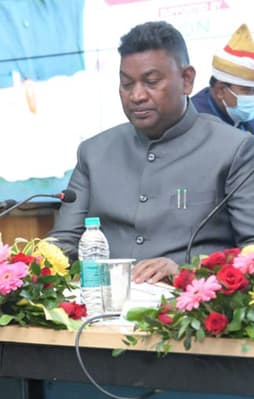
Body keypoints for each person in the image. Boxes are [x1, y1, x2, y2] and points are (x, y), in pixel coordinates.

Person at [48, 21, 254, 284]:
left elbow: (251, 249)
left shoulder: (234, 149)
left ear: (187, 80)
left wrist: (185, 272)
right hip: (104, 302)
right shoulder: (94, 152)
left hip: (190, 302)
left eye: (151, 82)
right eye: (126, 84)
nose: (136, 96)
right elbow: (62, 244)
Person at [191, 24, 254, 134]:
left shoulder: (242, 112)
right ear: (220, 91)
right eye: (247, 90)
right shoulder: (195, 125)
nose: (252, 97)